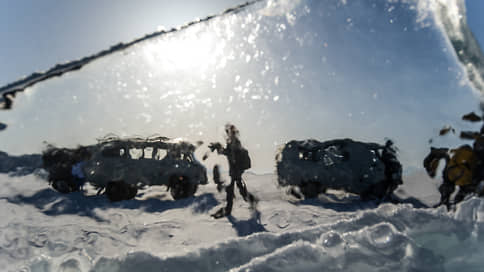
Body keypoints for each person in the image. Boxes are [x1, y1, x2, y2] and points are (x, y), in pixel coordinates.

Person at [209, 124, 257, 218]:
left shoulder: (235, 142)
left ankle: (230, 209)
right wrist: (218, 147)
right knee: (236, 189)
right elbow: (227, 152)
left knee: (232, 189)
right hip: (234, 170)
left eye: (227, 131)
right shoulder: (231, 141)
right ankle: (250, 201)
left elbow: (230, 153)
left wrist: (219, 147)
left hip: (236, 170)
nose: (227, 133)